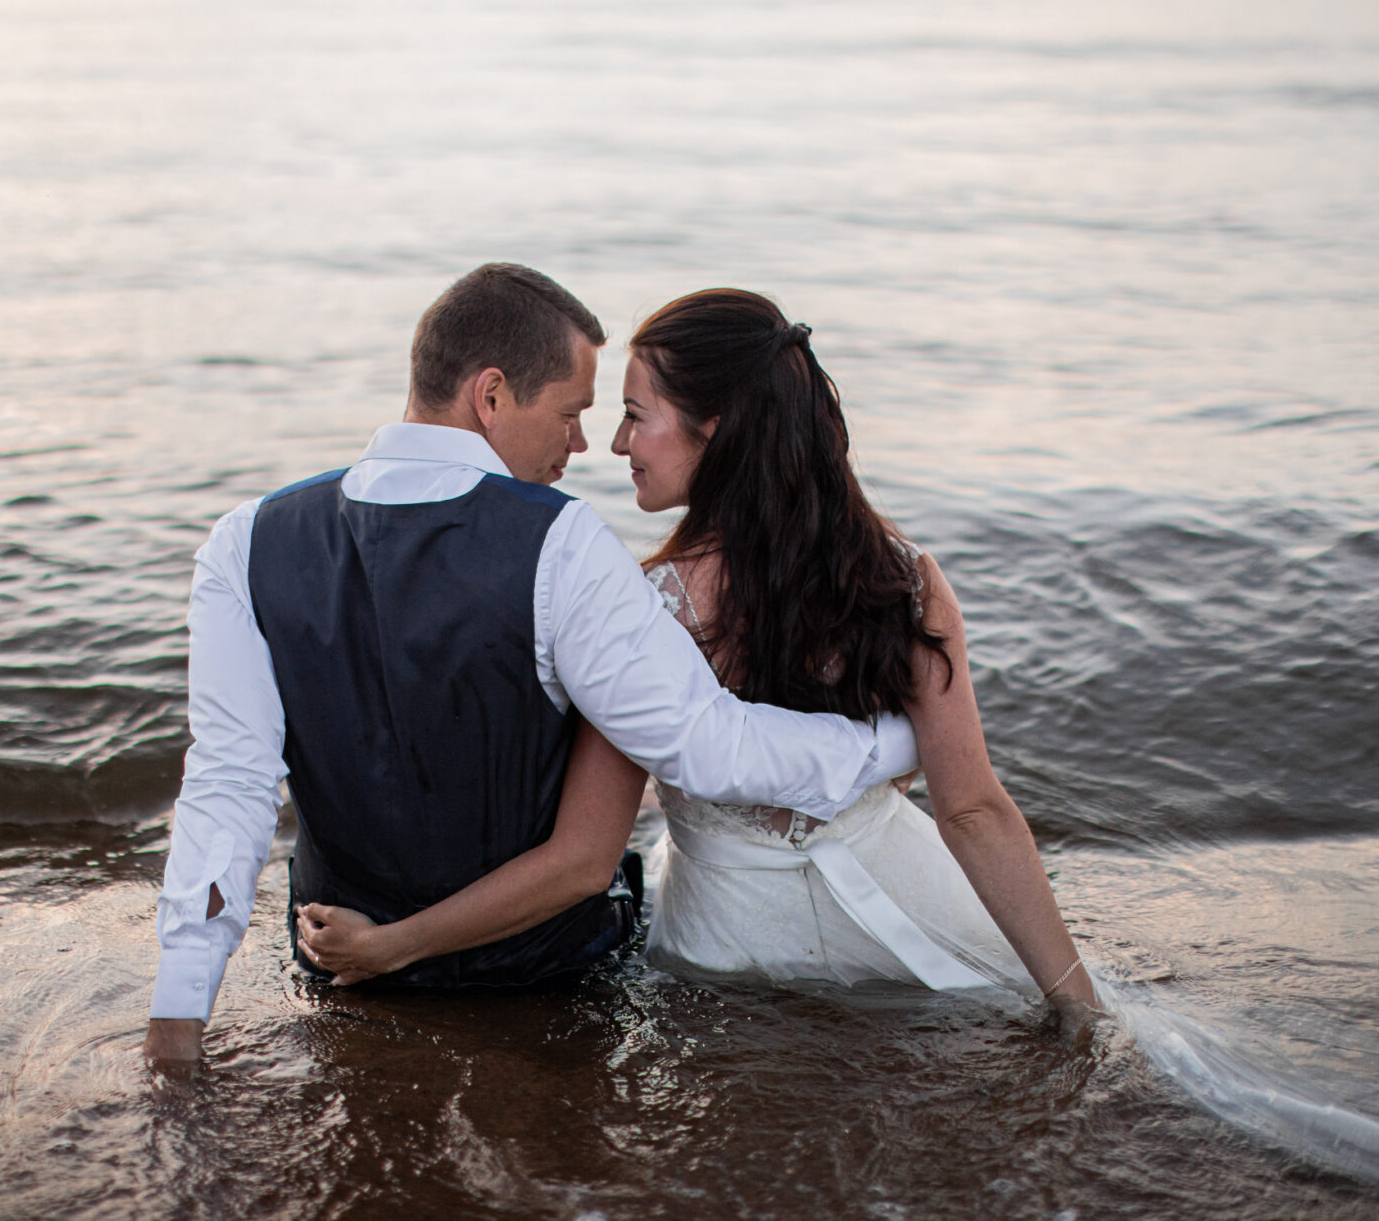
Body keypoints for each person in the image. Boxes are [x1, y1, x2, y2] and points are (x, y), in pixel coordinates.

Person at [142, 266, 924, 1066]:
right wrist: (895, 743)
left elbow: (228, 784)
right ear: (491, 396)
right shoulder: (563, 541)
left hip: (344, 976)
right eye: (571, 413)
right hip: (542, 984)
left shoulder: (246, 541)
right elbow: (704, 744)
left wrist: (178, 1018)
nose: (583, 445)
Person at [295, 288, 1102, 1028]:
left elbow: (583, 857)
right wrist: (1076, 1000)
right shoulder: (903, 579)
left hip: (732, 945)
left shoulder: (645, 604)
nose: (613, 442)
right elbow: (974, 812)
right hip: (914, 901)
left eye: (636, 415)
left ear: (713, 431)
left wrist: (397, 942)